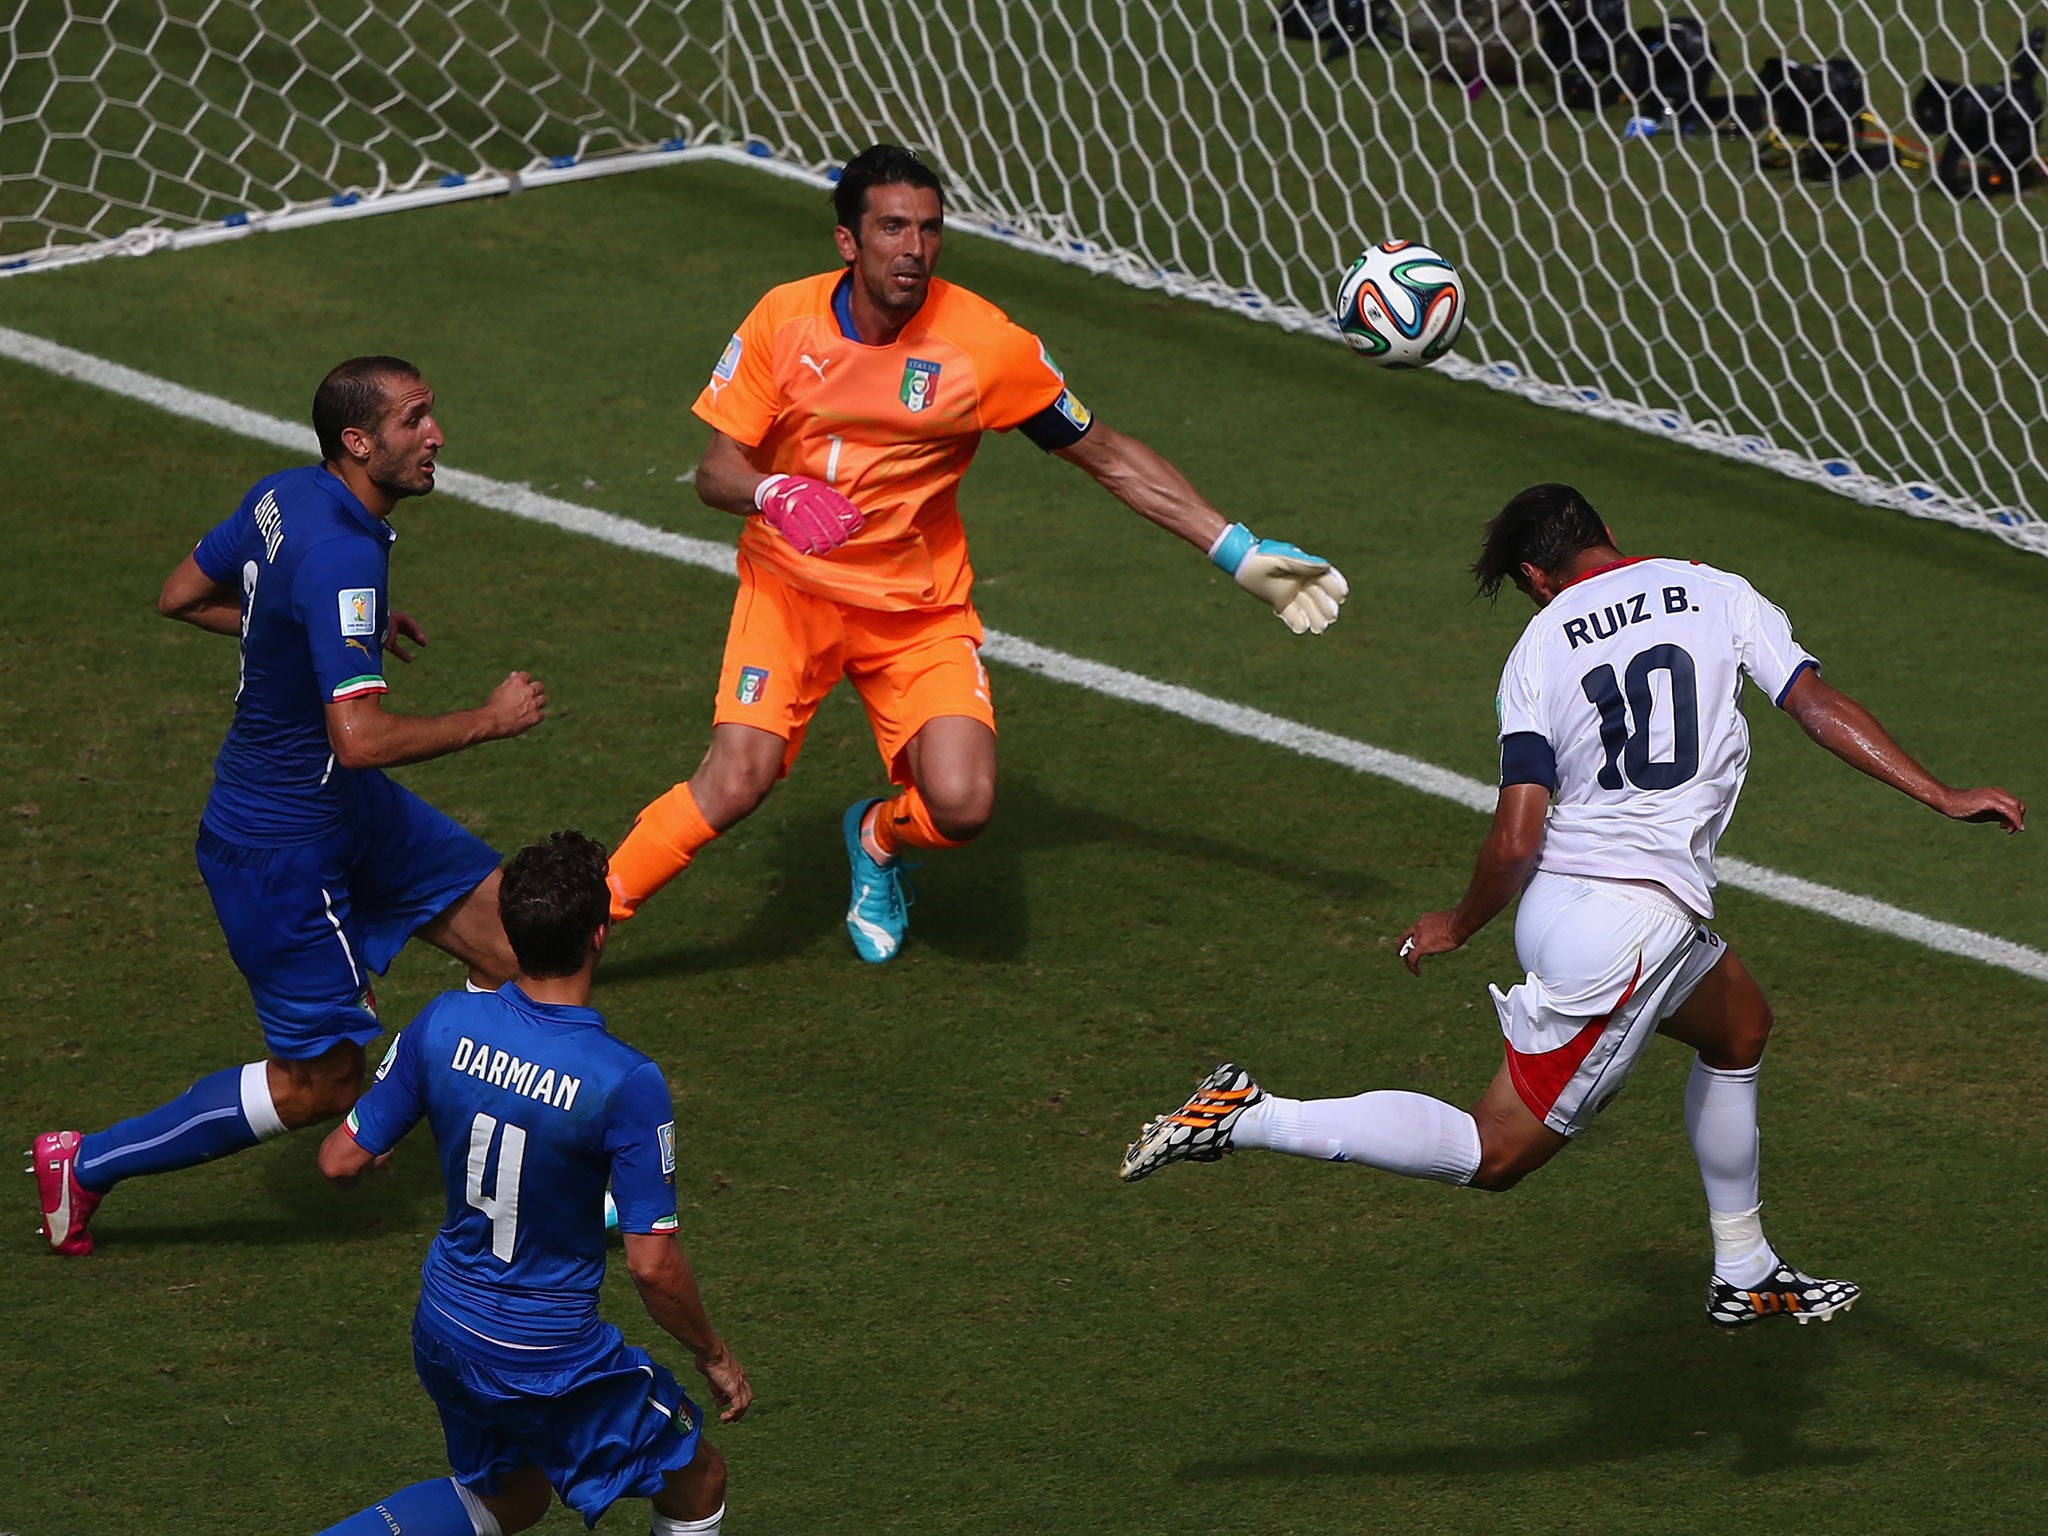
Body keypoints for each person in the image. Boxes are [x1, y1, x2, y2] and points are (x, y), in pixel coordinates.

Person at [1120, 483, 2025, 1326]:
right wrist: (1940, 794)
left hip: (1575, 905)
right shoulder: (1715, 590)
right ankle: (1248, 1115)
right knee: (1494, 1152)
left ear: (1532, 576)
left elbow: (1518, 837)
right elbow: (1813, 701)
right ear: (1606, 537)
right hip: (1630, 928)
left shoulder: (1539, 648)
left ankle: (1745, 1272)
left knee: (1739, 1025)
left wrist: (1459, 921)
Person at [604, 142, 1350, 964]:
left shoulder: (982, 346)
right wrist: (773, 491)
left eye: (928, 229)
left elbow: (1106, 455)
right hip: (791, 592)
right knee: (736, 780)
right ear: (847, 242)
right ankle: (570, 934)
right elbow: (717, 469)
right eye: (892, 228)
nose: (913, 249)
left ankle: (878, 838)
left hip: (915, 612)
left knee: (960, 804)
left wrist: (1236, 551)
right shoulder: (784, 320)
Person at [29, 356, 548, 1256]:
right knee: (322, 1086)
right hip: (280, 848)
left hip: (346, 809)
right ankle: (87, 1163)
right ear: (359, 441)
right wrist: (489, 722)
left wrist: (326, 627)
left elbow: (181, 595)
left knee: (522, 948)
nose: (437, 437)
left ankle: (516, 1173)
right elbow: (360, 738)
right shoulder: (344, 551)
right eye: (415, 420)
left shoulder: (285, 496)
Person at [314, 831, 750, 1536]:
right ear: (599, 936)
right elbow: (652, 1264)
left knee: (510, 1499)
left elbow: (340, 1160)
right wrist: (714, 1355)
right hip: (544, 1354)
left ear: (513, 933)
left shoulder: (445, 1022)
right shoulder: (623, 1080)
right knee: (698, 1481)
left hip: (445, 1325)